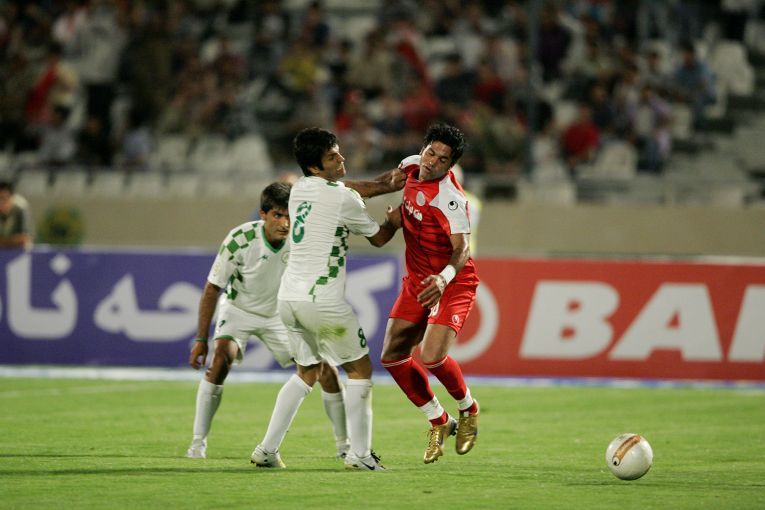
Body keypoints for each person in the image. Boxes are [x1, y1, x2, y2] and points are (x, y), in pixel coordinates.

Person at [188, 173, 401, 462]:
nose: (285, 223)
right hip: (239, 309)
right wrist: (202, 338)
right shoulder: (240, 239)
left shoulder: (300, 238)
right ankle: (198, 443)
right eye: (277, 215)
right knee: (221, 358)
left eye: (289, 215)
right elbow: (213, 287)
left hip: (280, 312)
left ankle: (343, 445)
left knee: (322, 371)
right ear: (263, 214)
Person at [250, 127, 402, 471]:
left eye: (338, 152)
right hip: (322, 302)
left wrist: (383, 184)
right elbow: (378, 238)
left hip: (289, 300)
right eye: (333, 157)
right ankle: (360, 455)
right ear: (315, 167)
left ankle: (267, 449)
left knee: (307, 371)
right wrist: (393, 221)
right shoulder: (343, 198)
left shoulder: (299, 189)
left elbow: (345, 188)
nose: (341, 159)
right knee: (360, 369)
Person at [380, 123, 481, 464]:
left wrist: (443, 278)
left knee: (433, 356)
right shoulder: (409, 166)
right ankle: (439, 420)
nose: (432, 161)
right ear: (422, 149)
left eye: (442, 159)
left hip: (451, 282)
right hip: (418, 281)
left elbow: (462, 249)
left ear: (451, 166)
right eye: (430, 152)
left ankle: (468, 409)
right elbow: (386, 188)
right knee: (392, 356)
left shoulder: (451, 199)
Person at [0, 180, 33, 249]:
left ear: (12, 198)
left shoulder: (21, 207)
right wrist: (13, 240)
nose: (1, 203)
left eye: (4, 199)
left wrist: (5, 241)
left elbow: (25, 238)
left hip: (18, 251)